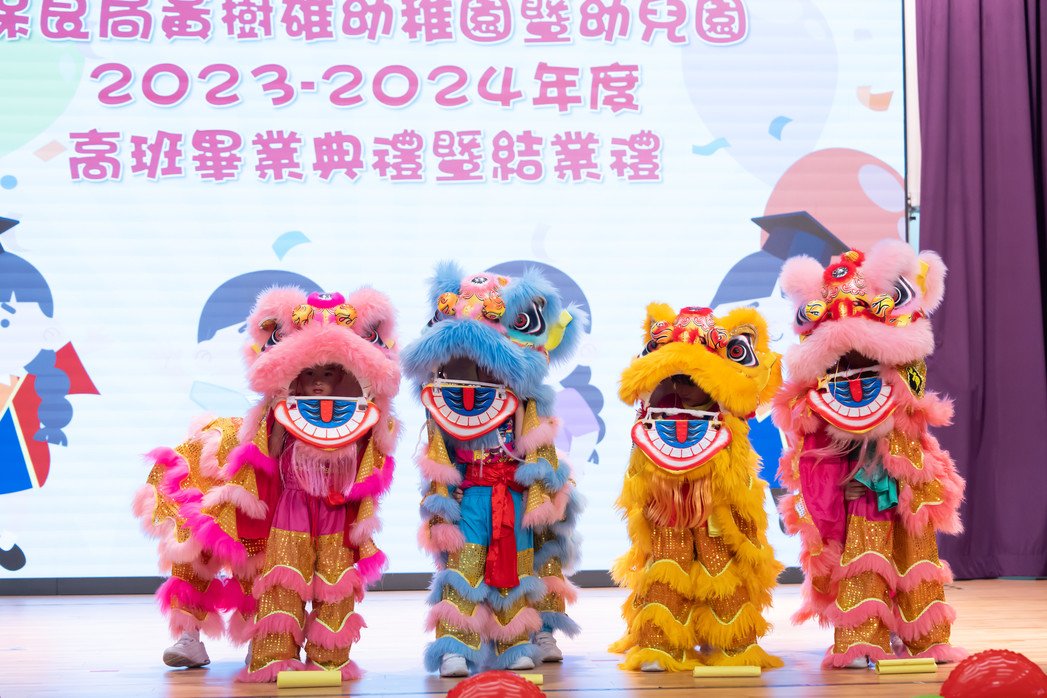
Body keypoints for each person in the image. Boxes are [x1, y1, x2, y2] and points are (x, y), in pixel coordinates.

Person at [135, 287, 400, 680]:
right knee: (258, 566)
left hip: (333, 510)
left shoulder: (361, 419)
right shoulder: (270, 420)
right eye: (309, 375)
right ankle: (212, 637)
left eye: (329, 375)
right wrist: (275, 413)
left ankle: (327, 656)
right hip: (286, 504)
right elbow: (267, 453)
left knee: (333, 580)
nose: (318, 385)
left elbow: (376, 454)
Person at [773, 242, 967, 668]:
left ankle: (925, 638)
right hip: (856, 484)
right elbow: (811, 442)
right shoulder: (819, 387)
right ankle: (863, 637)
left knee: (914, 549)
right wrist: (836, 481)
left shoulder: (902, 367)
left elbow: (914, 409)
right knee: (863, 551)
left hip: (905, 476)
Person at [402, 263, 585, 677]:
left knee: (515, 567)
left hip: (512, 497)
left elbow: (534, 453)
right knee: (464, 567)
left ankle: (513, 642)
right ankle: (455, 648)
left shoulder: (525, 405)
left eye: (487, 365)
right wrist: (443, 502)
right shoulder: (445, 406)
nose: (478, 374)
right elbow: (441, 459)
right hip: (471, 495)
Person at [609, 305, 784, 672]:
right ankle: (662, 644)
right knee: (666, 562)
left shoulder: (728, 401)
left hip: (716, 498)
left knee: (721, 564)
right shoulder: (656, 400)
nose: (684, 388)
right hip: (666, 495)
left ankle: (732, 645)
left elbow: (744, 414)